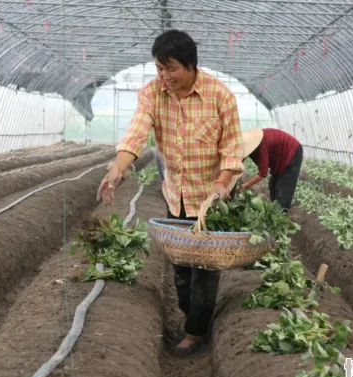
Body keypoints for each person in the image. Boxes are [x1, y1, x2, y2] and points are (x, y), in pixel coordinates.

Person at [96, 29, 244, 355]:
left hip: (209, 200)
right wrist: (119, 167)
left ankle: (196, 333)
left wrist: (221, 185)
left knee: (203, 271)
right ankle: (192, 316)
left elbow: (233, 151)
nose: (165, 76)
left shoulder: (220, 97)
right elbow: (138, 129)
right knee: (180, 267)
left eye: (172, 68)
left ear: (191, 65)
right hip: (175, 194)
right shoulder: (153, 94)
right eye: (160, 69)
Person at [239, 128, 303, 210]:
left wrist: (245, 185)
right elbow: (239, 164)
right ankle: (274, 210)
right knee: (273, 185)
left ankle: (281, 214)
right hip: (280, 158)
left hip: (292, 152)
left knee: (283, 188)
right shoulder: (251, 147)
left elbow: (263, 173)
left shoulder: (261, 146)